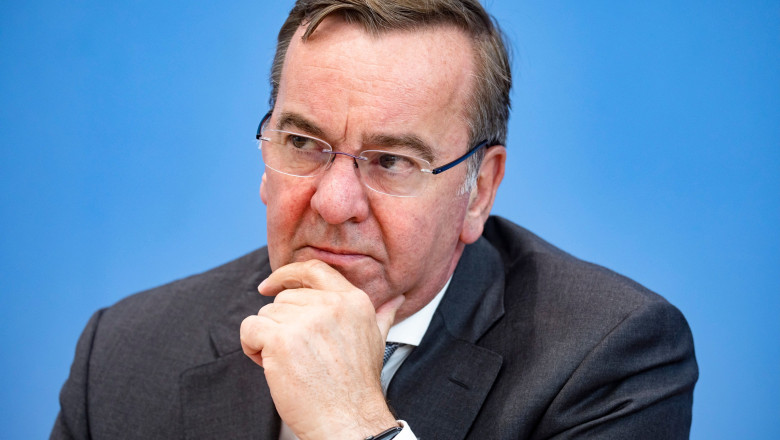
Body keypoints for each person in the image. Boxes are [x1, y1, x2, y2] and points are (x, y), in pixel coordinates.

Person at [51, 1, 698, 439]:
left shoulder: (609, 358)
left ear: (479, 190)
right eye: (303, 144)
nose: (334, 203)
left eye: (391, 161)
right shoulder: (125, 353)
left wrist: (354, 424)